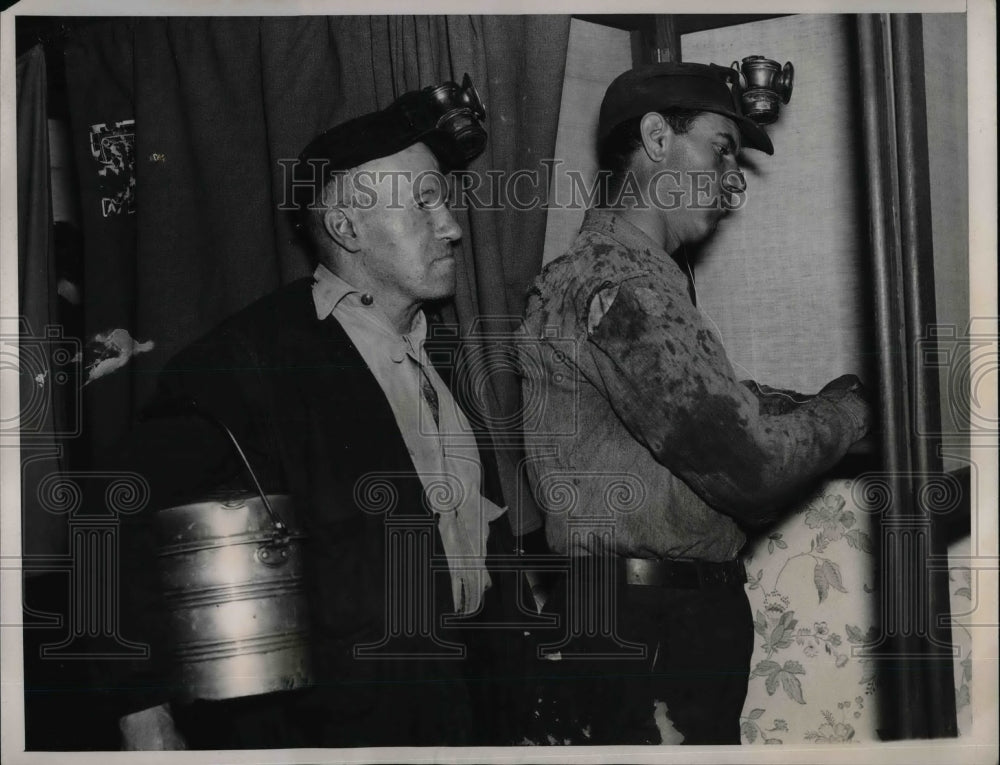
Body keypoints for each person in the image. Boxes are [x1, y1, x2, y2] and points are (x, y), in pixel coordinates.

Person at [110, 79, 524, 749]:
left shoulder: (441, 359)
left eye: (443, 201)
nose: (451, 226)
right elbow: (123, 541)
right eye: (423, 204)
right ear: (346, 226)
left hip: (468, 716)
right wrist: (147, 723)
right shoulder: (243, 367)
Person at [517, 62, 872, 745]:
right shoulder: (617, 282)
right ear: (656, 138)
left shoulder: (642, 280)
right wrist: (851, 414)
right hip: (647, 627)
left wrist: (819, 404)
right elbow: (748, 464)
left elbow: (719, 403)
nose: (733, 182)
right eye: (721, 149)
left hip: (655, 619)